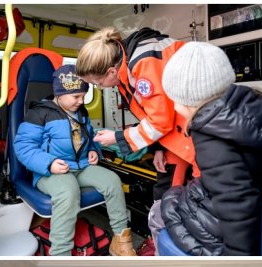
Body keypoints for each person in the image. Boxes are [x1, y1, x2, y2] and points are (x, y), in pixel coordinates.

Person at [76, 27, 195, 246]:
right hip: (178, 135)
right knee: (164, 194)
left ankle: (179, 246)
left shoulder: (143, 62)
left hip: (197, 133)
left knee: (197, 196)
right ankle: (165, 241)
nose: (99, 88)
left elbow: (160, 119)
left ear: (111, 72)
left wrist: (118, 138)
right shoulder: (125, 71)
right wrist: (157, 148)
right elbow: (153, 113)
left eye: (97, 83)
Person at [160, 42, 262, 255]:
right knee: (178, 192)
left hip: (230, 233)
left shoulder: (211, 138)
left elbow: (237, 210)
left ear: (191, 100)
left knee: (167, 204)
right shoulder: (250, 102)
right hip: (257, 194)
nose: (176, 108)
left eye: (178, 100)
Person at [13, 64, 135, 256]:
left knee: (112, 181)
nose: (81, 101)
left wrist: (94, 150)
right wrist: (49, 163)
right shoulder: (39, 113)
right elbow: (23, 147)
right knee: (67, 191)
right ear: (59, 94)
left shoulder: (81, 112)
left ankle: (121, 240)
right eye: (76, 97)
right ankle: (60, 255)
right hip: (49, 172)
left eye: (84, 96)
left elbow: (88, 136)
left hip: (81, 166)